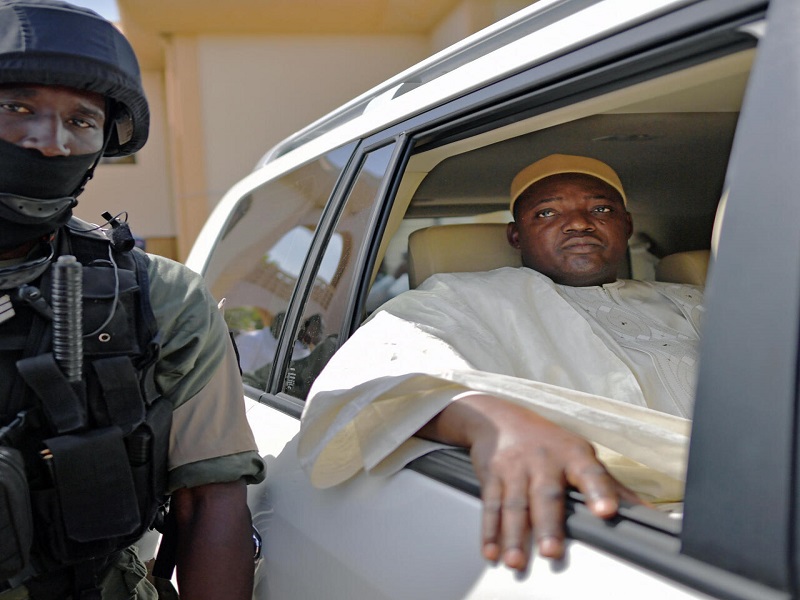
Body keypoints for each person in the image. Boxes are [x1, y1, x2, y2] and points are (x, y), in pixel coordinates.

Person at [298, 153, 703, 573]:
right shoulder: (462, 298)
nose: (580, 223)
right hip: (629, 520)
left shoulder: (693, 299)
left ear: (627, 225)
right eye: (547, 212)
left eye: (600, 209)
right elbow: (375, 372)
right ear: (516, 236)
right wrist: (491, 422)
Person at [0, 1, 265, 598]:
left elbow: (210, 502)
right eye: (17, 108)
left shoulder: (158, 296)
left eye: (82, 120)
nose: (51, 141)